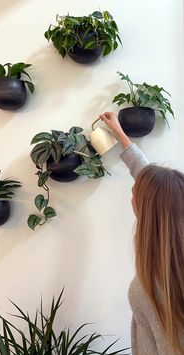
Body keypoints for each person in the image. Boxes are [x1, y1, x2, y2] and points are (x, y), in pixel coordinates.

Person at [99, 112, 184, 355]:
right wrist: (120, 134)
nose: (132, 195)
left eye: (135, 192)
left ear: (147, 210)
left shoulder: (150, 290)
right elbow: (154, 183)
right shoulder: (173, 213)